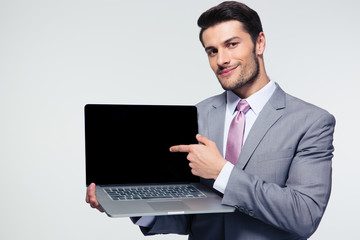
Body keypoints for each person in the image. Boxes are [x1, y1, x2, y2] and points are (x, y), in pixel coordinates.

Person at [86, 1, 336, 239]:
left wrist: (222, 173)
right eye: (212, 51)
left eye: (232, 44)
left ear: (259, 43)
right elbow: (189, 217)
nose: (221, 60)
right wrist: (131, 205)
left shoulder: (311, 122)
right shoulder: (198, 114)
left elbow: (305, 216)